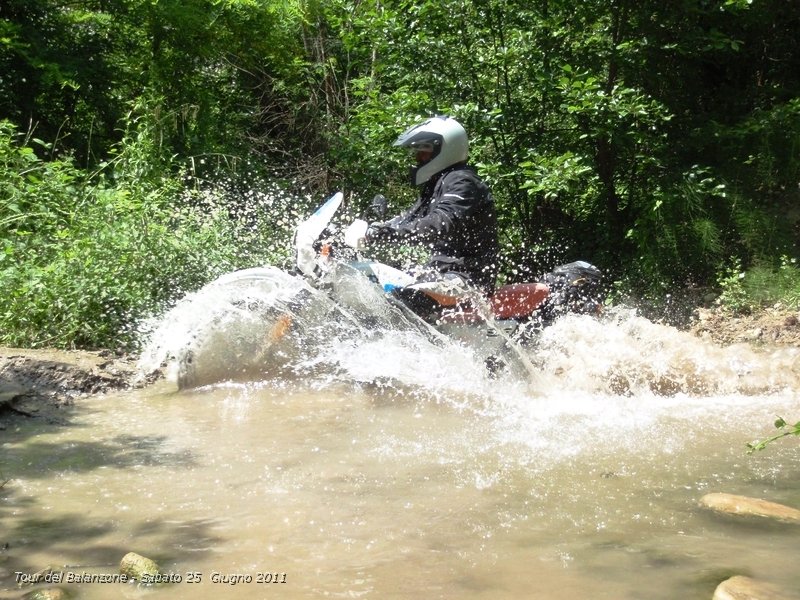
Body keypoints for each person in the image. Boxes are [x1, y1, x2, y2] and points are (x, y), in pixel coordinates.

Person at [366, 115, 499, 296]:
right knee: (374, 285)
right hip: (440, 272)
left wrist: (388, 234)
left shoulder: (463, 182)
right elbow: (410, 218)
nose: (419, 157)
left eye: (425, 151)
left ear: (444, 149)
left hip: (467, 278)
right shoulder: (438, 183)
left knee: (397, 302)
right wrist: (379, 228)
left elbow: (440, 222)